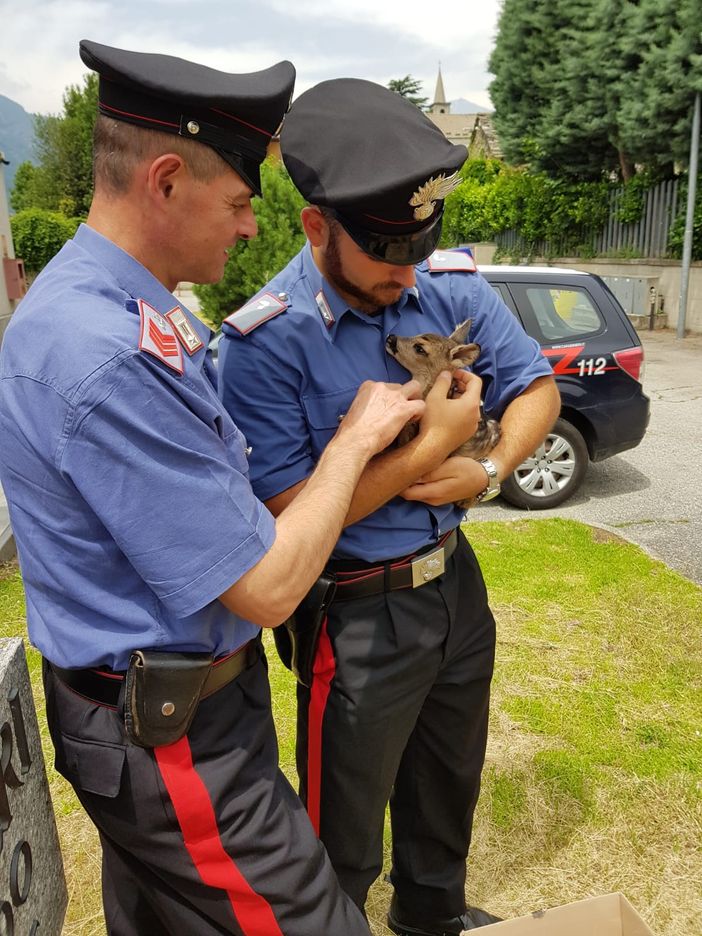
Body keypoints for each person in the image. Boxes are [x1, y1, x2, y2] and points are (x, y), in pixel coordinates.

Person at [0, 44, 482, 936]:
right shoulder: (105, 354)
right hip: (174, 742)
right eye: (237, 202)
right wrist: (361, 442)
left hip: (179, 709)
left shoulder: (124, 309)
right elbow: (264, 587)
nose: (251, 227)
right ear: (168, 180)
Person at [217, 78, 561, 936]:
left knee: (448, 788)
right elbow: (295, 512)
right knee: (343, 833)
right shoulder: (264, 341)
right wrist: (436, 443)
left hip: (456, 589)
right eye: (382, 254)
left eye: (417, 249)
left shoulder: (445, 288)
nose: (406, 274)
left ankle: (432, 919)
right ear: (315, 227)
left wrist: (489, 472)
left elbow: (538, 388)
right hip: (358, 616)